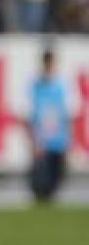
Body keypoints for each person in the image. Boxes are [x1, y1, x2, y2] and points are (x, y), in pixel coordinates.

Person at [28, 48, 70, 203]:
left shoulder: (61, 86)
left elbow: (66, 115)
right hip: (43, 139)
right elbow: (32, 114)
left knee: (57, 177)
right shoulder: (36, 85)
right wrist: (34, 138)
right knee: (41, 181)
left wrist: (67, 140)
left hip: (58, 138)